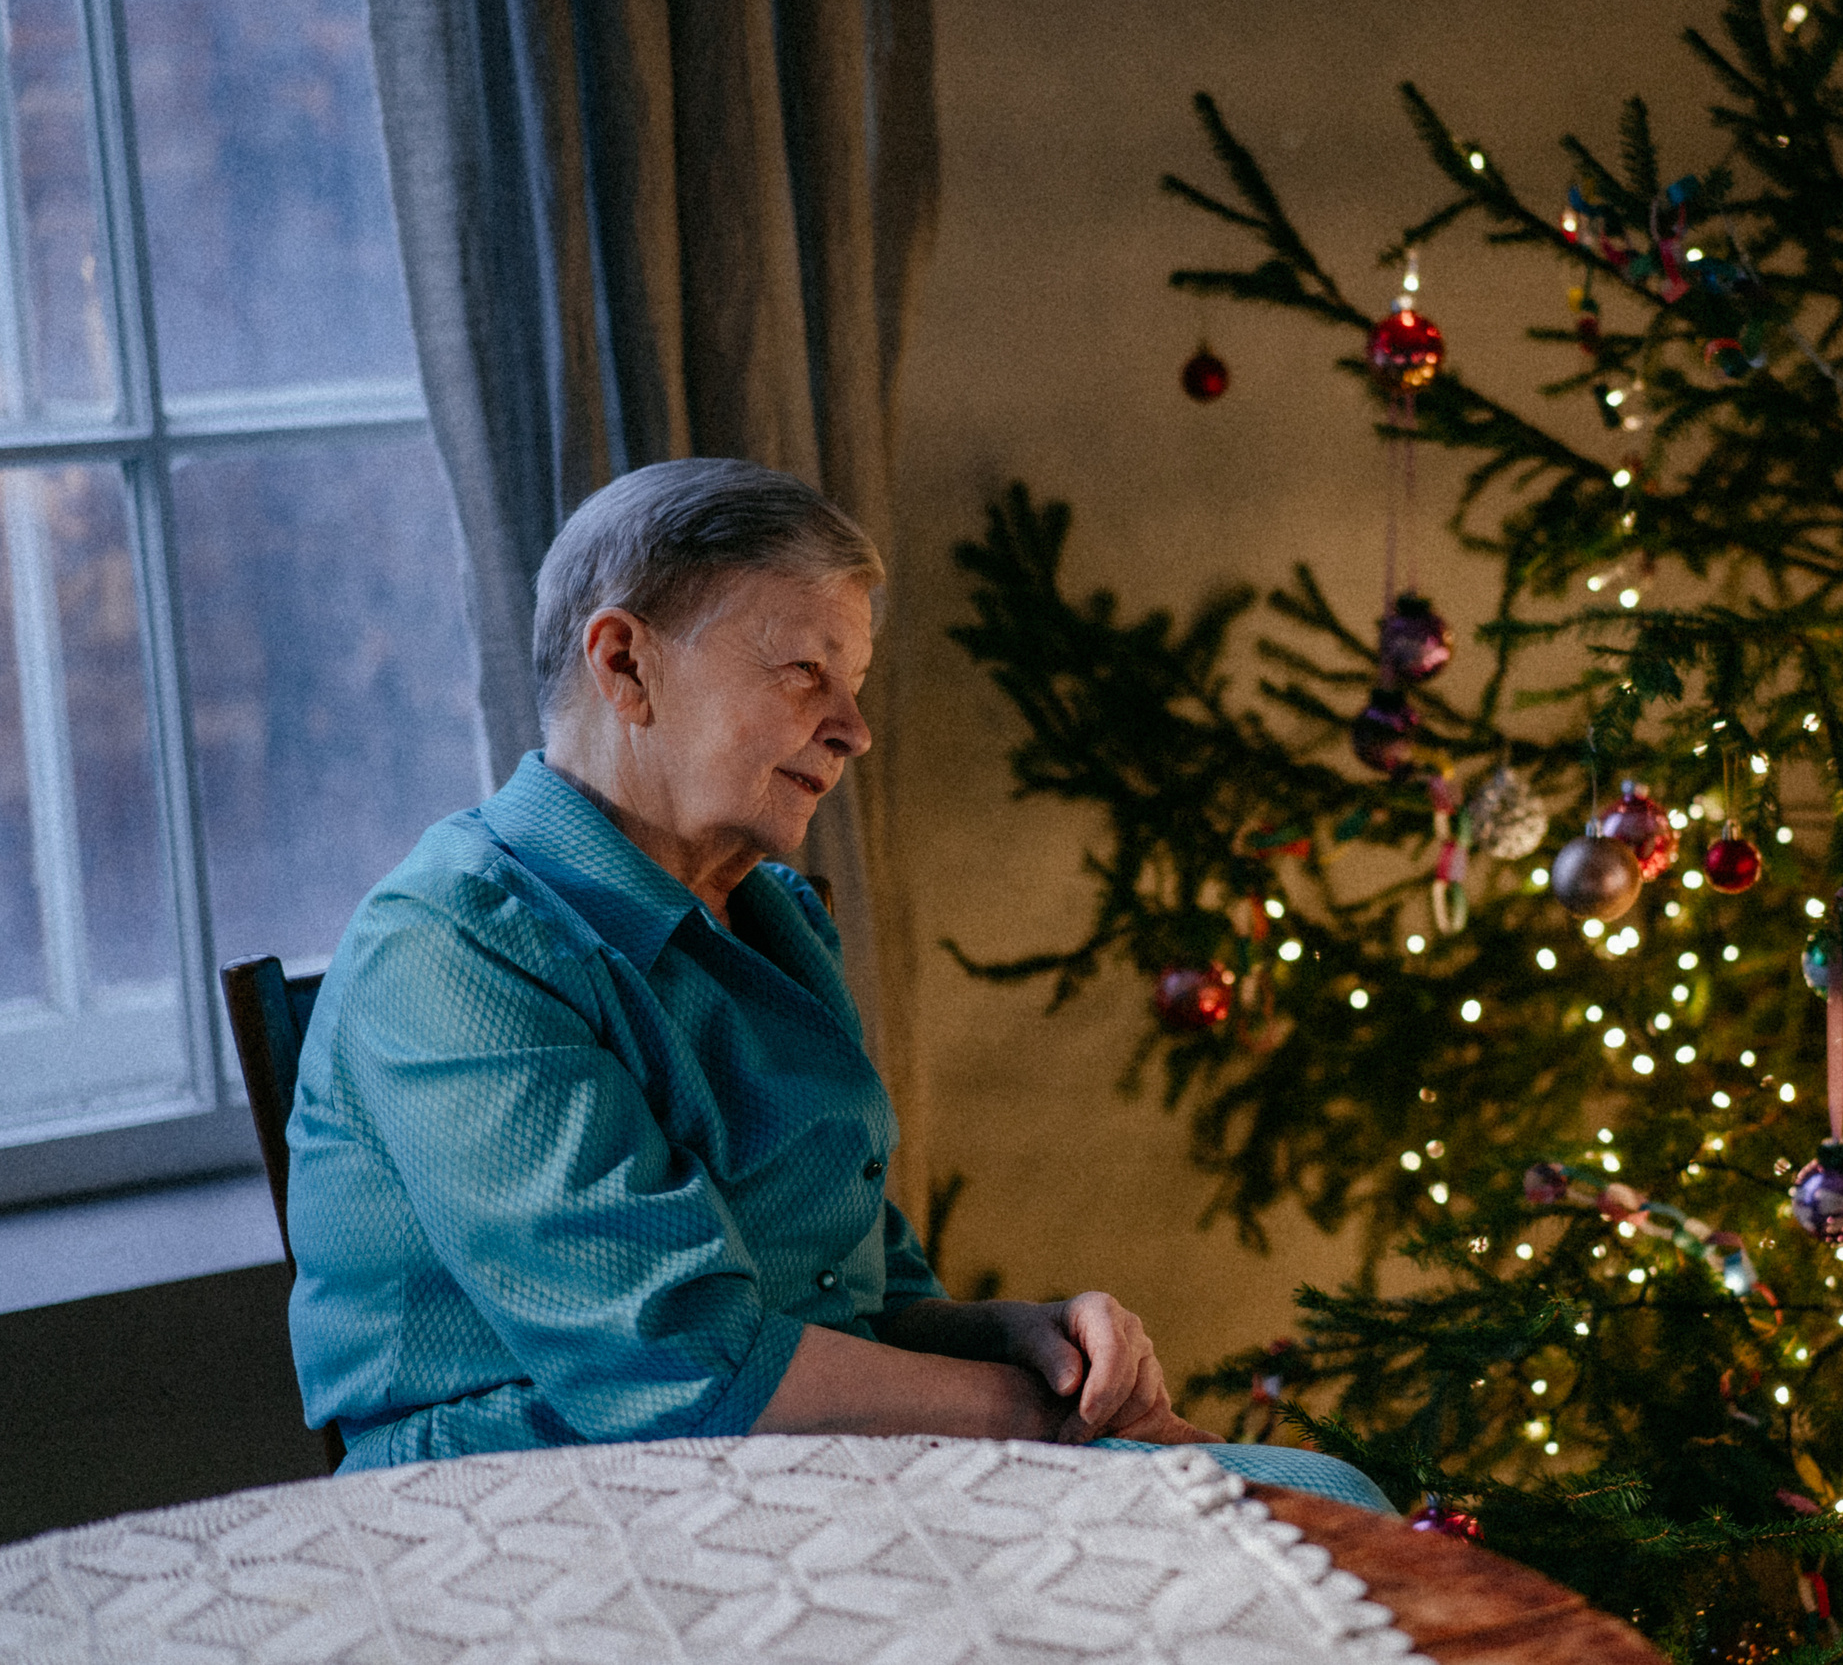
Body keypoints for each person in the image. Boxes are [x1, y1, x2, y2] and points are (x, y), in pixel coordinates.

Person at [285, 458, 1386, 1510]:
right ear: (623, 665)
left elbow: (855, 1299)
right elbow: (679, 1366)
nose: (854, 731)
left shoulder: (771, 921)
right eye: (803, 674)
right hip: (532, 1503)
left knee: (1322, 1503)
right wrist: (1047, 1428)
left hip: (780, 1473)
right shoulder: (449, 944)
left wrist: (1026, 1340)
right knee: (1315, 1517)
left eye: (850, 686)